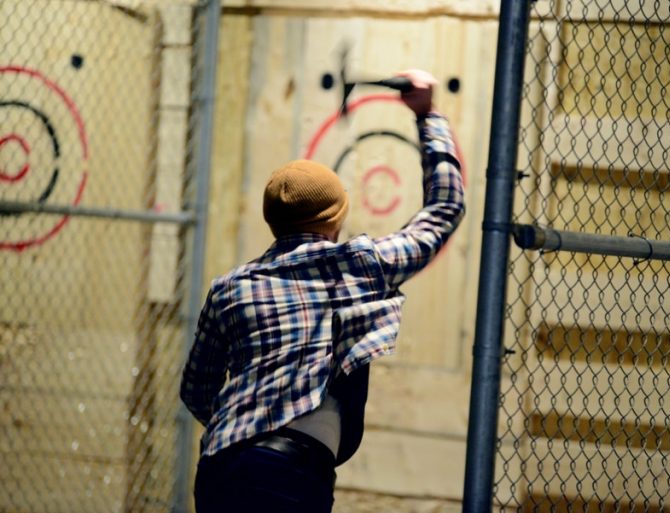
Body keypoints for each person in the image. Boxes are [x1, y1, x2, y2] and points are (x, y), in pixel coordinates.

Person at [180, 68, 465, 513]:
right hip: (293, 470)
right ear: (336, 220)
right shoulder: (361, 265)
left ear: (272, 222)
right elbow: (445, 209)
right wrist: (428, 116)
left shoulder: (230, 289)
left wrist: (246, 422)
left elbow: (197, 389)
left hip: (221, 465)